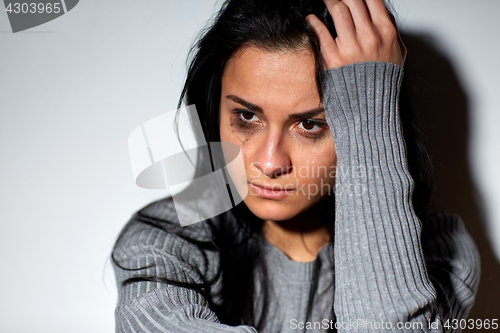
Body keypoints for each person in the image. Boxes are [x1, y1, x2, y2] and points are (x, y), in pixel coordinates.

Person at [111, 0, 480, 332]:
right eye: (245, 116)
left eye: (310, 125)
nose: (269, 162)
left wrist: (367, 104)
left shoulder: (441, 252)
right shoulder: (167, 237)